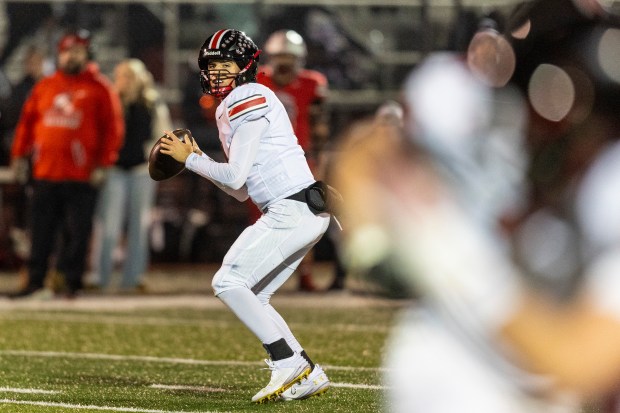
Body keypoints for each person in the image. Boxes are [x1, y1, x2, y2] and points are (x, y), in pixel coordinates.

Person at [332, 0, 620, 411]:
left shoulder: (609, 186)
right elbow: (365, 151)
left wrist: (452, 257)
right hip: (452, 366)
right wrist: (371, 240)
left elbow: (577, 362)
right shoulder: (463, 98)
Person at [159, 29, 331, 403]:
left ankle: (286, 362)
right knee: (254, 293)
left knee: (228, 282)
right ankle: (305, 370)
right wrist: (198, 160)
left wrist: (189, 159)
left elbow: (235, 177)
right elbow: (240, 190)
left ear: (246, 67)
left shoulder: (247, 95)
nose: (217, 72)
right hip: (301, 209)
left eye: (225, 64)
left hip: (292, 207)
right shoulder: (241, 100)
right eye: (212, 66)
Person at [9, 29, 124, 299]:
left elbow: (112, 130)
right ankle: (35, 282)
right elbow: (27, 123)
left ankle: (71, 283)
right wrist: (19, 154)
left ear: (87, 55)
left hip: (81, 174)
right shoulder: (45, 86)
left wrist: (104, 163)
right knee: (40, 231)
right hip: (46, 171)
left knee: (77, 233)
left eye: (78, 51)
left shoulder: (100, 88)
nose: (71, 56)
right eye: (67, 51)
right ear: (60, 54)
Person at [255, 29, 330, 291]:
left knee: (307, 218)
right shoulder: (258, 79)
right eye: (280, 57)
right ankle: (258, 274)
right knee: (263, 219)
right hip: (264, 158)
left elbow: (319, 125)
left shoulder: (311, 83)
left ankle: (305, 274)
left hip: (300, 157)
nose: (285, 64)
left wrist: (318, 160)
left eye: (290, 57)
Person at [88, 58, 171, 292]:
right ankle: (99, 275)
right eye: (121, 75)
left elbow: (163, 135)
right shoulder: (111, 101)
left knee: (139, 226)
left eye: (129, 76)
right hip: (114, 169)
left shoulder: (152, 103)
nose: (124, 80)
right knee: (108, 225)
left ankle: (133, 277)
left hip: (140, 171)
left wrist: (155, 162)